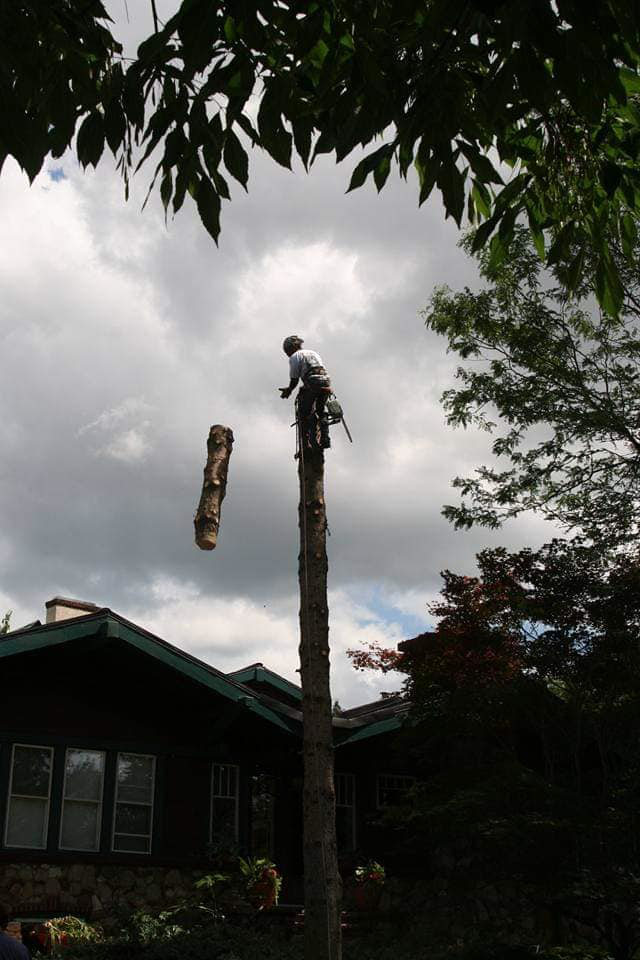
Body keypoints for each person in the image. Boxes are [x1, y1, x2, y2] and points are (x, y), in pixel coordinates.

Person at [279, 335, 332, 448]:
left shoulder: (294, 357)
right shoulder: (313, 353)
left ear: (290, 348)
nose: (287, 354)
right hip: (326, 381)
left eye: (287, 351)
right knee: (321, 409)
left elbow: (294, 380)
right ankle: (325, 438)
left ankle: (309, 441)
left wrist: (289, 390)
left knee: (304, 412)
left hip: (313, 382)